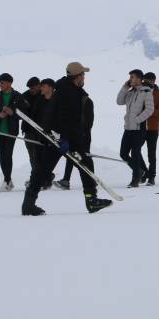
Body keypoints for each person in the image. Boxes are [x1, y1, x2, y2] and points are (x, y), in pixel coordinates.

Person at [21, 62, 111, 215]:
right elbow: (65, 118)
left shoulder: (64, 88)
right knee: (81, 164)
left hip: (58, 137)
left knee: (45, 170)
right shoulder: (69, 93)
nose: (84, 77)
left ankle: (28, 204)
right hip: (61, 137)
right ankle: (91, 201)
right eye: (83, 75)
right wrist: (64, 140)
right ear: (77, 77)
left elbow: (54, 115)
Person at [0, 73, 27, 191]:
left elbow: (24, 115)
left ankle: (7, 180)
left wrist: (12, 113)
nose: (0, 85)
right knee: (2, 156)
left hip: (11, 131)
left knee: (8, 155)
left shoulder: (18, 96)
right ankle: (8, 180)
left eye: (2, 83)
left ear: (9, 83)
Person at [115, 69, 154, 187]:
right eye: (130, 77)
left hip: (139, 129)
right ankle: (140, 171)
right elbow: (119, 101)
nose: (130, 79)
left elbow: (149, 109)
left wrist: (137, 120)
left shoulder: (146, 92)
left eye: (132, 77)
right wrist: (124, 87)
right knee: (123, 154)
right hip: (128, 128)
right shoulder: (130, 92)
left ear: (139, 79)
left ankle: (135, 179)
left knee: (135, 153)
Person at [142, 72, 159, 186]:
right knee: (135, 151)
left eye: (148, 81)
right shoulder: (140, 92)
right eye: (144, 80)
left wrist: (149, 109)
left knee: (151, 154)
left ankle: (151, 177)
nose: (146, 83)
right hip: (139, 127)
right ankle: (145, 172)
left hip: (152, 129)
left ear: (154, 81)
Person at [20, 76, 43, 172]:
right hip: (28, 131)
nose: (31, 90)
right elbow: (19, 112)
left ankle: (46, 176)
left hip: (42, 132)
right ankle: (35, 176)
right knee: (32, 156)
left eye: (33, 88)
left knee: (42, 155)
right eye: (29, 88)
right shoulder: (24, 96)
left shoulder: (44, 95)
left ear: (39, 86)